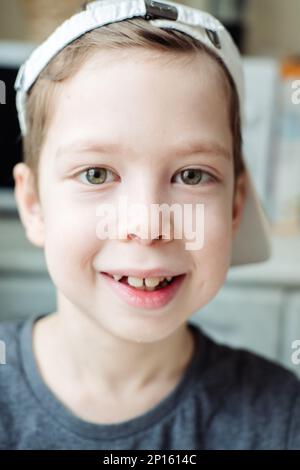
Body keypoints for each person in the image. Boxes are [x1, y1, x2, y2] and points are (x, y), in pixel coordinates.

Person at [0, 0, 299, 450]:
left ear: (235, 206)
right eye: (97, 174)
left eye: (192, 175)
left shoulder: (281, 417)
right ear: (33, 205)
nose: (148, 226)